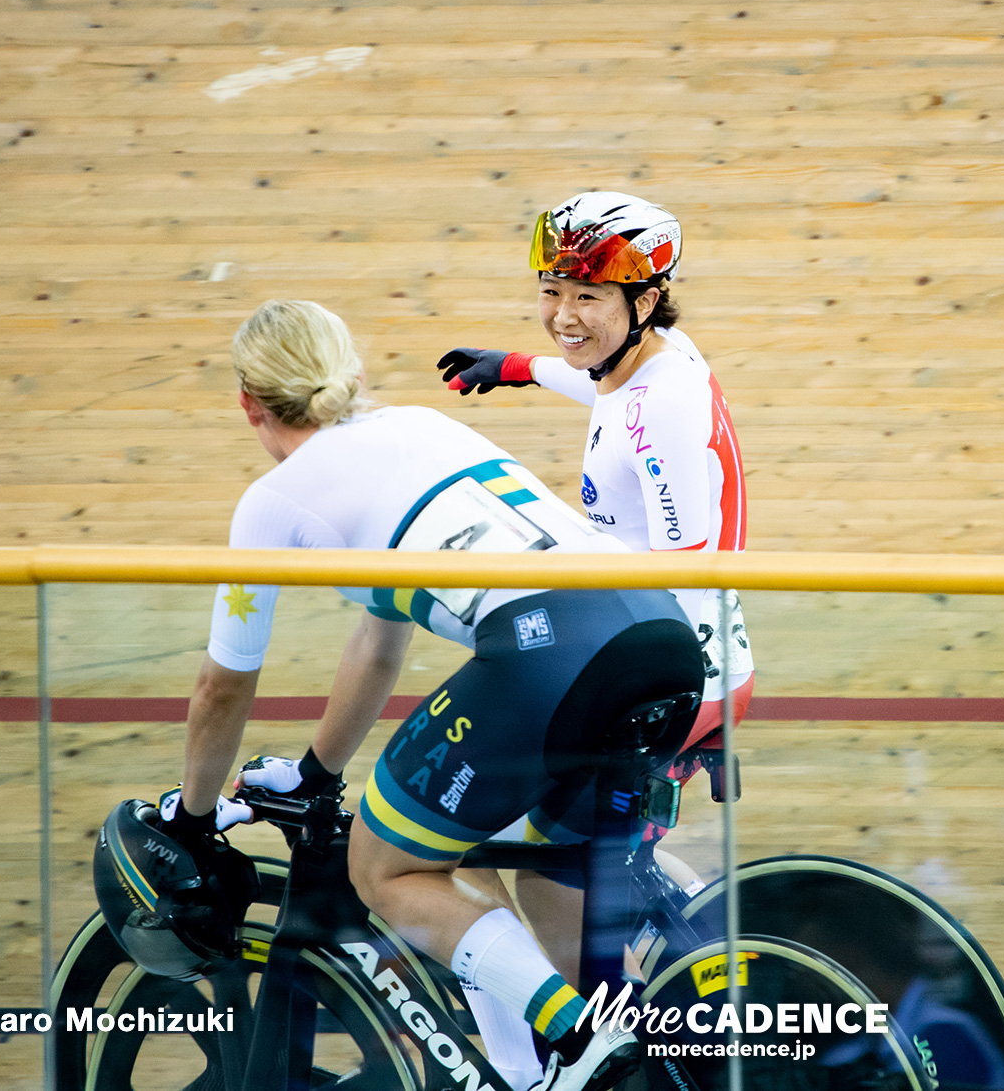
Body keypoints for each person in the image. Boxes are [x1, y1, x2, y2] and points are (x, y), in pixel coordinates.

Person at [159, 298, 703, 1091]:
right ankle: (572, 1065)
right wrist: (316, 770)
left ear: (248, 403)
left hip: (548, 652)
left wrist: (194, 815)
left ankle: (581, 1038)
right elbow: (381, 639)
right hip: (658, 627)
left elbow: (221, 687)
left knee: (385, 864)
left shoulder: (270, 504)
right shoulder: (415, 426)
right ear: (355, 377)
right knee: (540, 871)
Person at [436, 191, 753, 749]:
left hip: (674, 668)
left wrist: (625, 687)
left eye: (588, 296)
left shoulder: (661, 407)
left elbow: (683, 573)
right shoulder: (661, 354)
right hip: (655, 631)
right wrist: (520, 367)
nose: (564, 316)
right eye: (551, 291)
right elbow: (612, 391)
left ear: (646, 302)